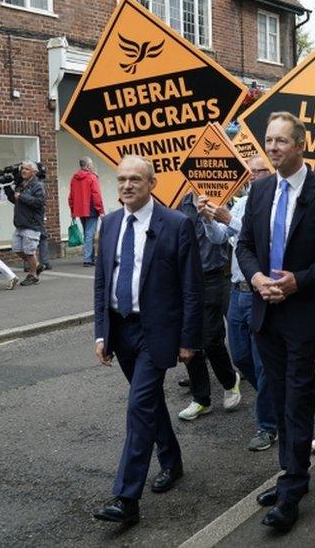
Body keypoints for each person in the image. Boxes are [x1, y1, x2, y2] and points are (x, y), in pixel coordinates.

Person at [91, 155, 204, 525]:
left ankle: (127, 499)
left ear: (152, 183)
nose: (126, 186)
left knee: (138, 406)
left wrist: (189, 339)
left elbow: (191, 287)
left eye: (135, 179)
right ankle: (171, 460)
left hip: (157, 332)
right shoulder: (108, 224)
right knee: (149, 401)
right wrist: (101, 332)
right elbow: (102, 282)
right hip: (120, 330)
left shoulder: (176, 224)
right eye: (122, 179)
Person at [235, 111, 315, 531]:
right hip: (264, 313)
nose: (273, 148)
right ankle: (292, 474)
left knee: (298, 402)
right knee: (276, 398)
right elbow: (245, 245)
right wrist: (256, 278)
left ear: (301, 144)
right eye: (269, 141)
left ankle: (291, 490)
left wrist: (298, 282)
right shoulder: (260, 191)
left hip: (303, 316)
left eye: (281, 141)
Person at [206, 155, 278, 451]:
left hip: (260, 291)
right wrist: (208, 218)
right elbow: (219, 238)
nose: (252, 176)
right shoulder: (242, 202)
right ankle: (274, 399)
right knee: (241, 357)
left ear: (270, 173)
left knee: (262, 362)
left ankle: (268, 426)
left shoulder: (274, 203)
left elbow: (264, 241)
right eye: (249, 171)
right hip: (237, 290)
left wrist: (229, 219)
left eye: (259, 171)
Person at [176, 191, 242, 419]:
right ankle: (201, 399)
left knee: (212, 337)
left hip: (213, 274)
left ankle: (230, 380)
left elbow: (231, 232)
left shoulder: (221, 193)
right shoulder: (178, 200)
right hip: (184, 277)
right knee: (189, 339)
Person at [6, 161, 46, 286]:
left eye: (27, 169)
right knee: (17, 249)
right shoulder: (21, 184)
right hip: (20, 223)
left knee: (29, 252)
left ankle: (33, 275)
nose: (23, 171)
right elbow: (15, 200)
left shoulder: (38, 185)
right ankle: (37, 265)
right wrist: (8, 189)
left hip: (32, 223)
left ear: (34, 172)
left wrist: (22, 197)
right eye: (22, 169)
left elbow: (39, 202)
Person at [68, 157, 105, 266]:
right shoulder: (92, 177)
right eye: (92, 164)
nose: (92, 166)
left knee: (87, 234)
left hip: (79, 209)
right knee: (90, 234)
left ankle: (90, 257)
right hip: (91, 208)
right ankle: (88, 259)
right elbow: (96, 194)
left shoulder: (74, 178)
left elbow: (71, 196)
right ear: (88, 166)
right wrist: (101, 210)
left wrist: (72, 210)